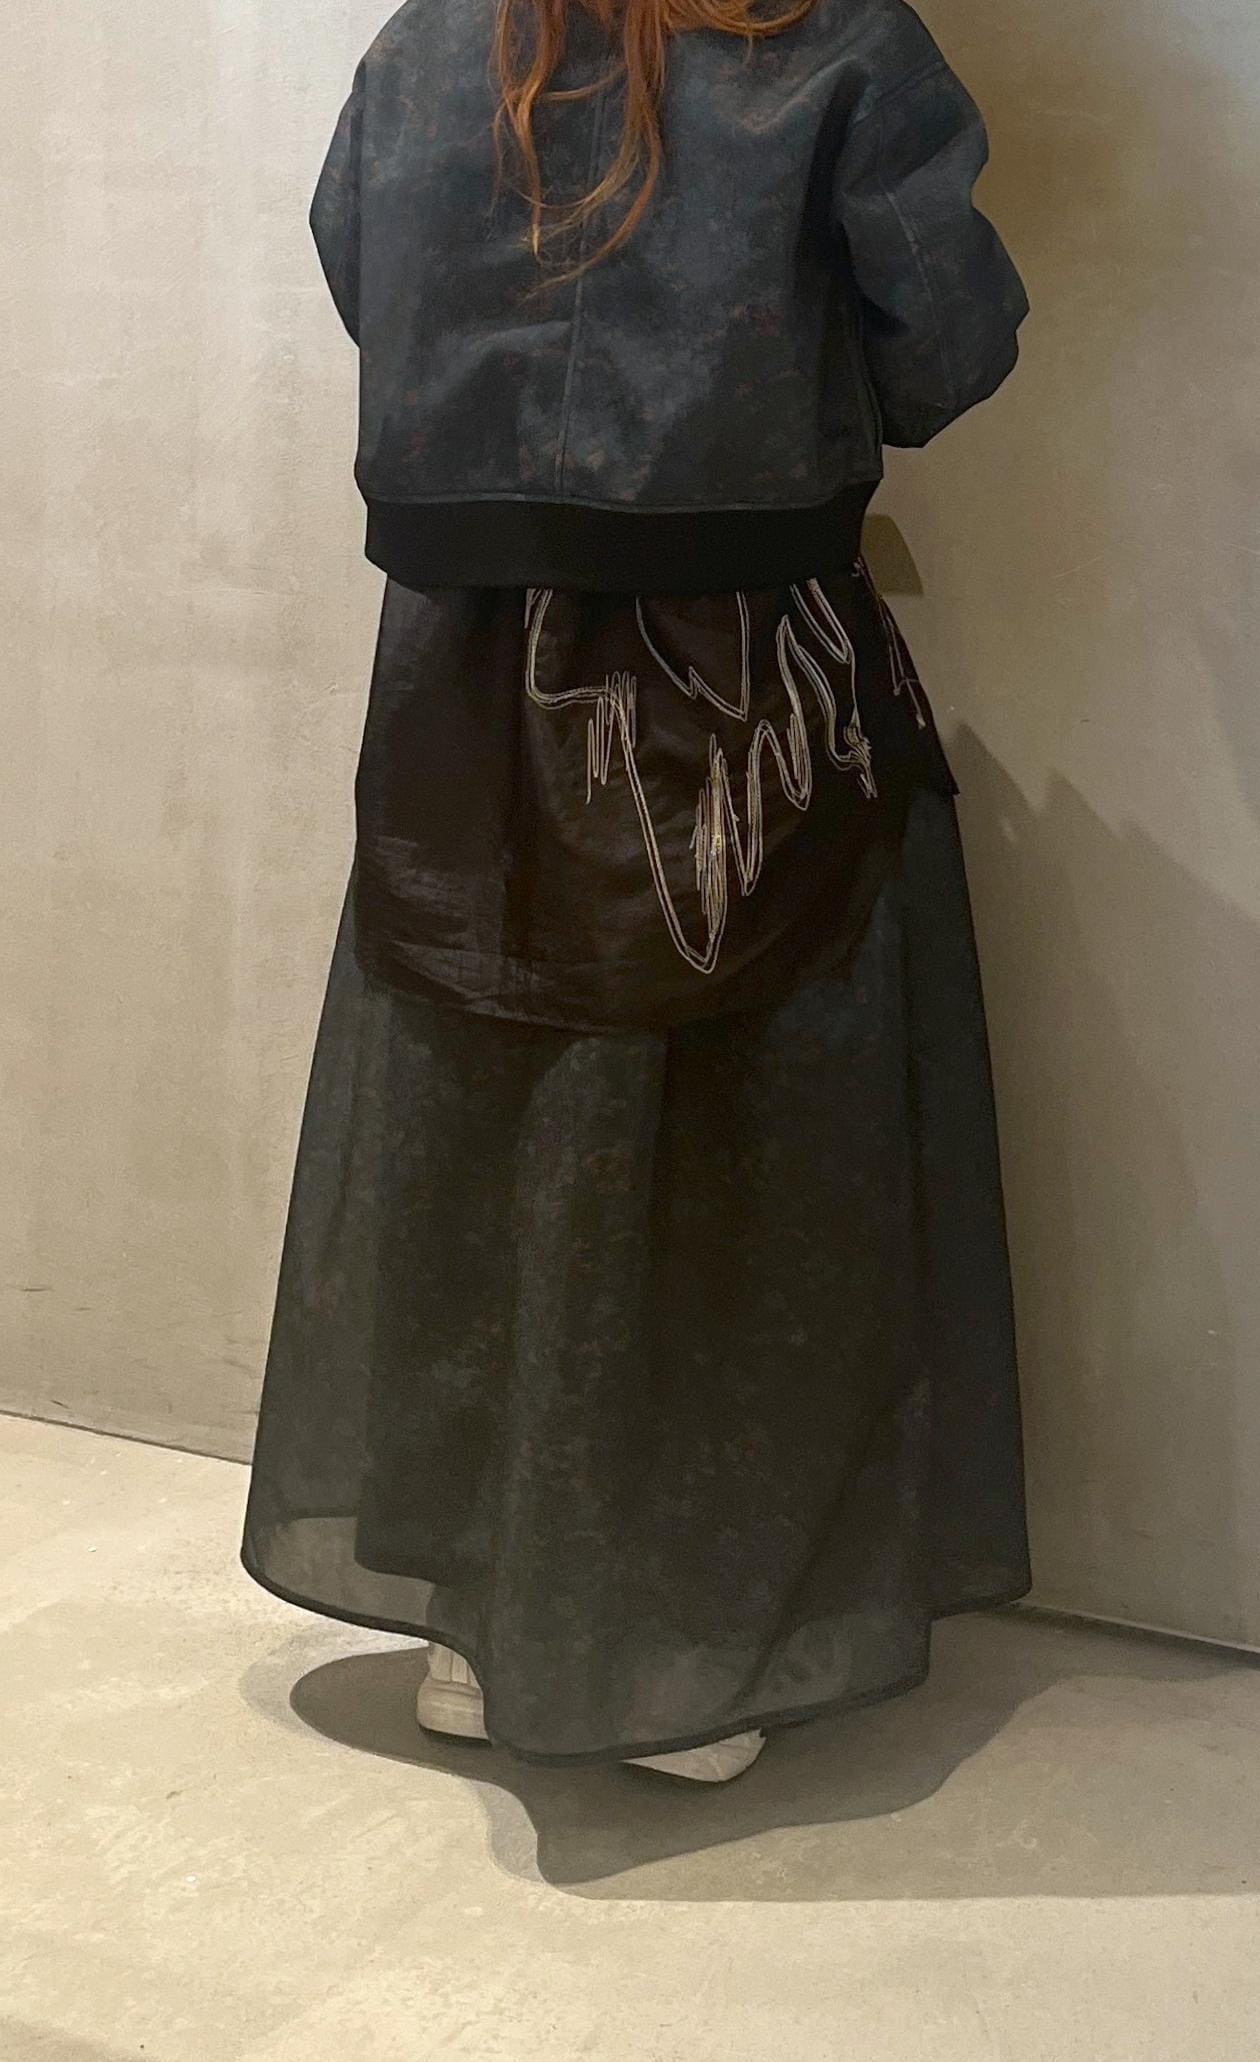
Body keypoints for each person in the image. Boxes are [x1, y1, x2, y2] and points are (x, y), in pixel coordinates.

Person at [240, 0, 1031, 1783]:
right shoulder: (835, 44)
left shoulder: (433, 40)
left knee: (480, 1112)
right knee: (737, 1150)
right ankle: (679, 1649)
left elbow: (361, 267)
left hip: (462, 671)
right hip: (740, 681)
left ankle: (484, 1617)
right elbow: (949, 345)